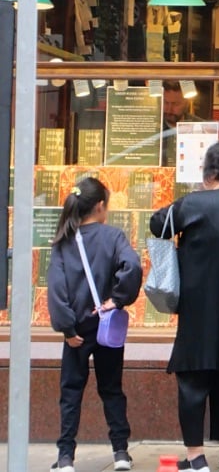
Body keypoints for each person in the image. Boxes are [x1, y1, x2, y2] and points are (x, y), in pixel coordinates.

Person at [149, 141, 219, 472]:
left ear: (210, 173)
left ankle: (196, 457)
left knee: (193, 379)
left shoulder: (193, 204)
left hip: (198, 306)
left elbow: (158, 224)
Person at [46, 176, 142, 472]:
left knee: (71, 392)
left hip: (77, 331)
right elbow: (132, 265)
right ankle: (121, 452)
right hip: (106, 328)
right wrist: (118, 299)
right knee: (111, 388)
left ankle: (65, 457)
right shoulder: (113, 237)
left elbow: (57, 288)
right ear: (100, 206)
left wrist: (67, 328)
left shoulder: (64, 240)